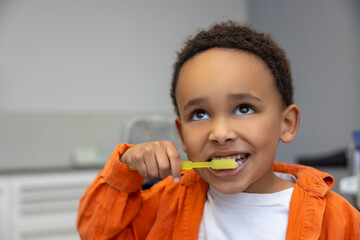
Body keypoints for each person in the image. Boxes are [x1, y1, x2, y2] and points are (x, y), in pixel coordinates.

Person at [76, 21, 360, 239]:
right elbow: (97, 232)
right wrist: (125, 171)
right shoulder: (164, 205)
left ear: (286, 124)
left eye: (244, 108)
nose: (220, 133)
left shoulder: (337, 219)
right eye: (199, 114)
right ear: (182, 134)